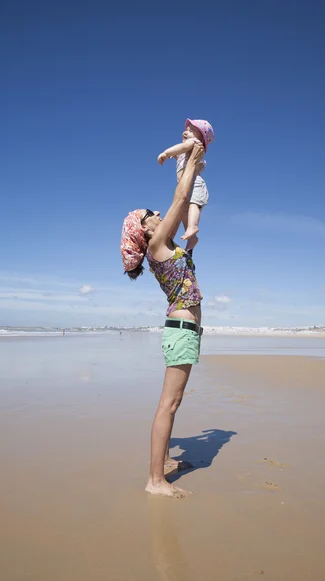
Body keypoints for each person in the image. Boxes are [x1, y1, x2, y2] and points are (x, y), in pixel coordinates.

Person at [120, 143, 205, 498]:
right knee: (168, 404)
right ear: (145, 230)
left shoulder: (166, 243)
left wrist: (190, 165)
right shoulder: (156, 244)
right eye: (149, 213)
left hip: (184, 330)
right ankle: (155, 481)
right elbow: (180, 196)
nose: (157, 213)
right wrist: (190, 164)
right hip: (181, 331)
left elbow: (182, 200)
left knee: (174, 403)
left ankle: (166, 462)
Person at [157, 119, 214, 248]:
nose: (186, 132)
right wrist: (175, 156)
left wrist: (167, 153)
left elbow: (181, 147)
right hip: (186, 185)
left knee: (194, 205)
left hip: (195, 183)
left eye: (191, 131)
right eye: (186, 130)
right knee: (183, 212)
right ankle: (192, 238)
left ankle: (193, 226)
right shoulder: (187, 149)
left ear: (201, 138)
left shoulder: (193, 143)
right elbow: (181, 153)